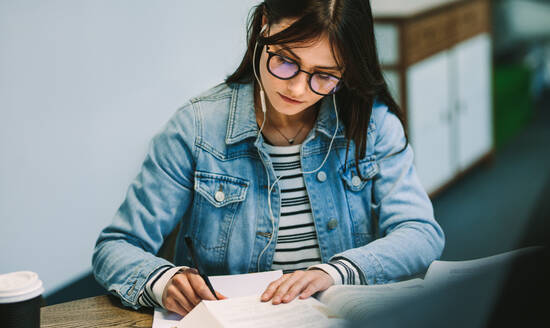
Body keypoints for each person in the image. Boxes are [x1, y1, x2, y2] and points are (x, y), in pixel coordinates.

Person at [92, 0, 445, 317]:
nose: (296, 89)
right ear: (264, 23)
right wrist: (162, 280)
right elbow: (117, 247)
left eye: (324, 75)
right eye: (286, 61)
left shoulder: (372, 124)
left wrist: (334, 272)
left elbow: (420, 232)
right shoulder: (196, 129)